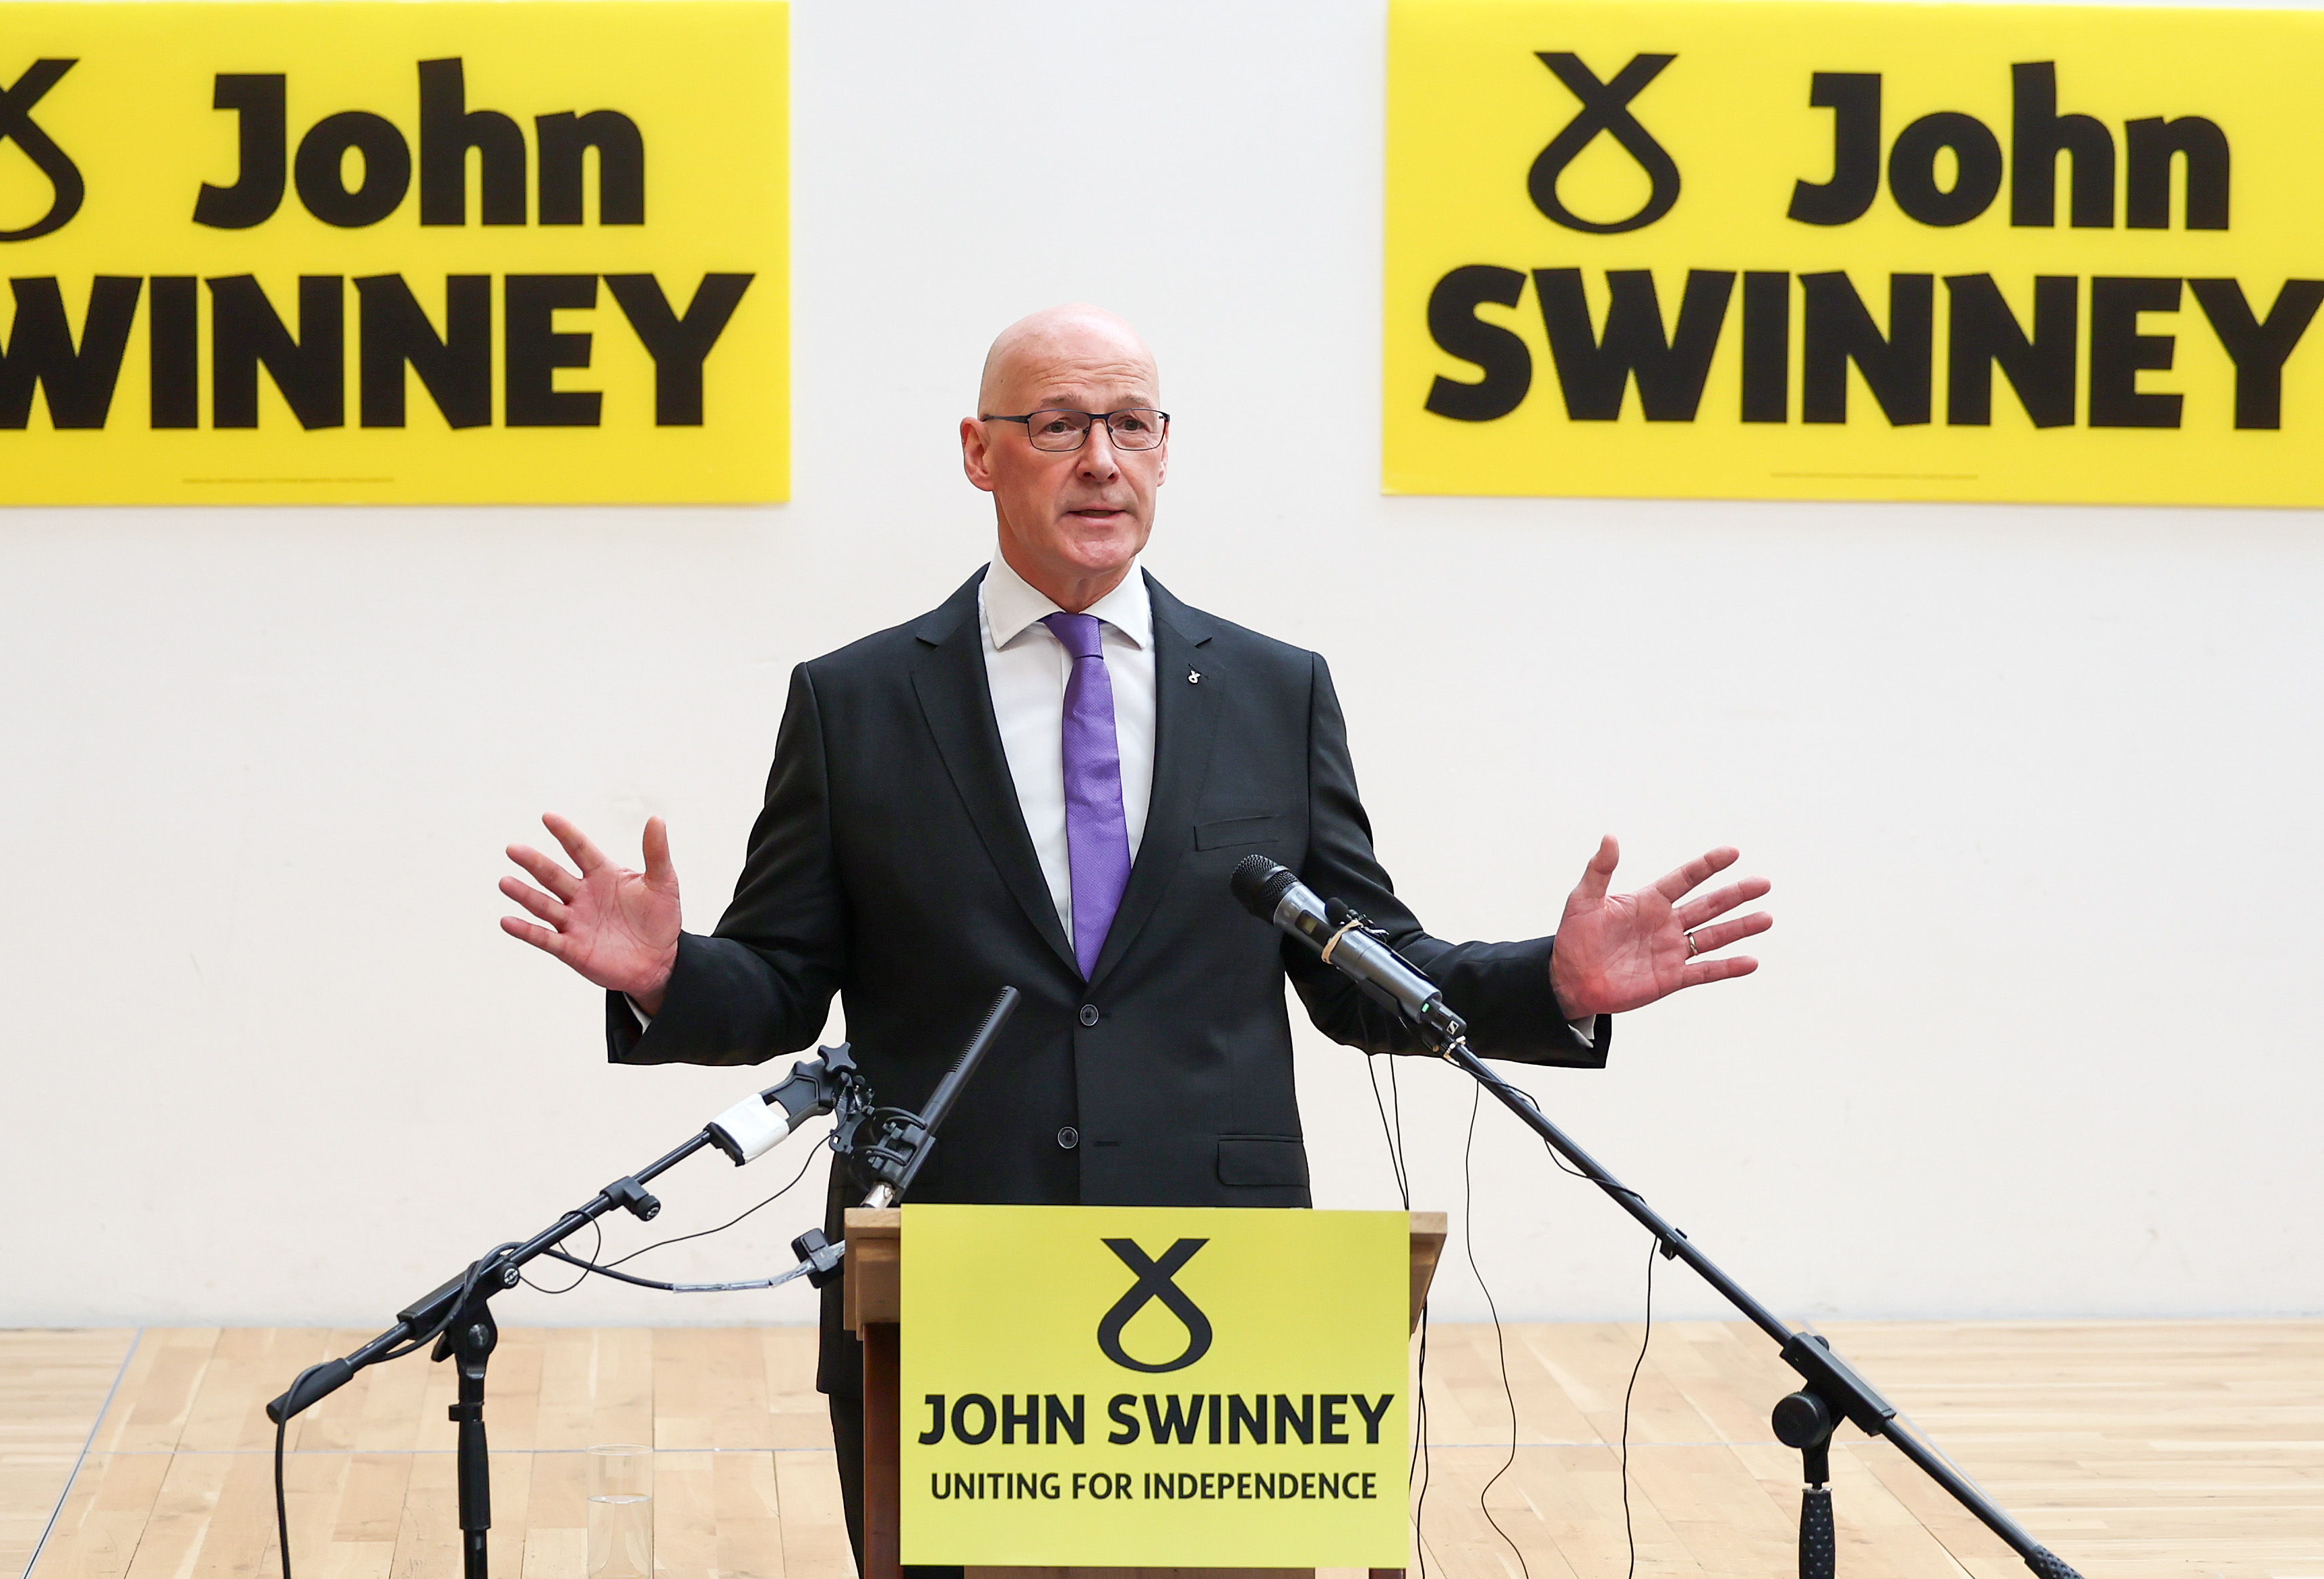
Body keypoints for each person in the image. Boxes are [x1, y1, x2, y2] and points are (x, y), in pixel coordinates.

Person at [497, 303, 1771, 1570]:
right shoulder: (858, 700)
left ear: (1166, 449)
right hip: (948, 1272)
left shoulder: (1275, 690)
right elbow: (782, 983)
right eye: (1057, 425)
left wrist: (1550, 985)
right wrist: (670, 976)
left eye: (1130, 425)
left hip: (1223, 1291)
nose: (1100, 460)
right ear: (978, 452)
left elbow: (1357, 964)